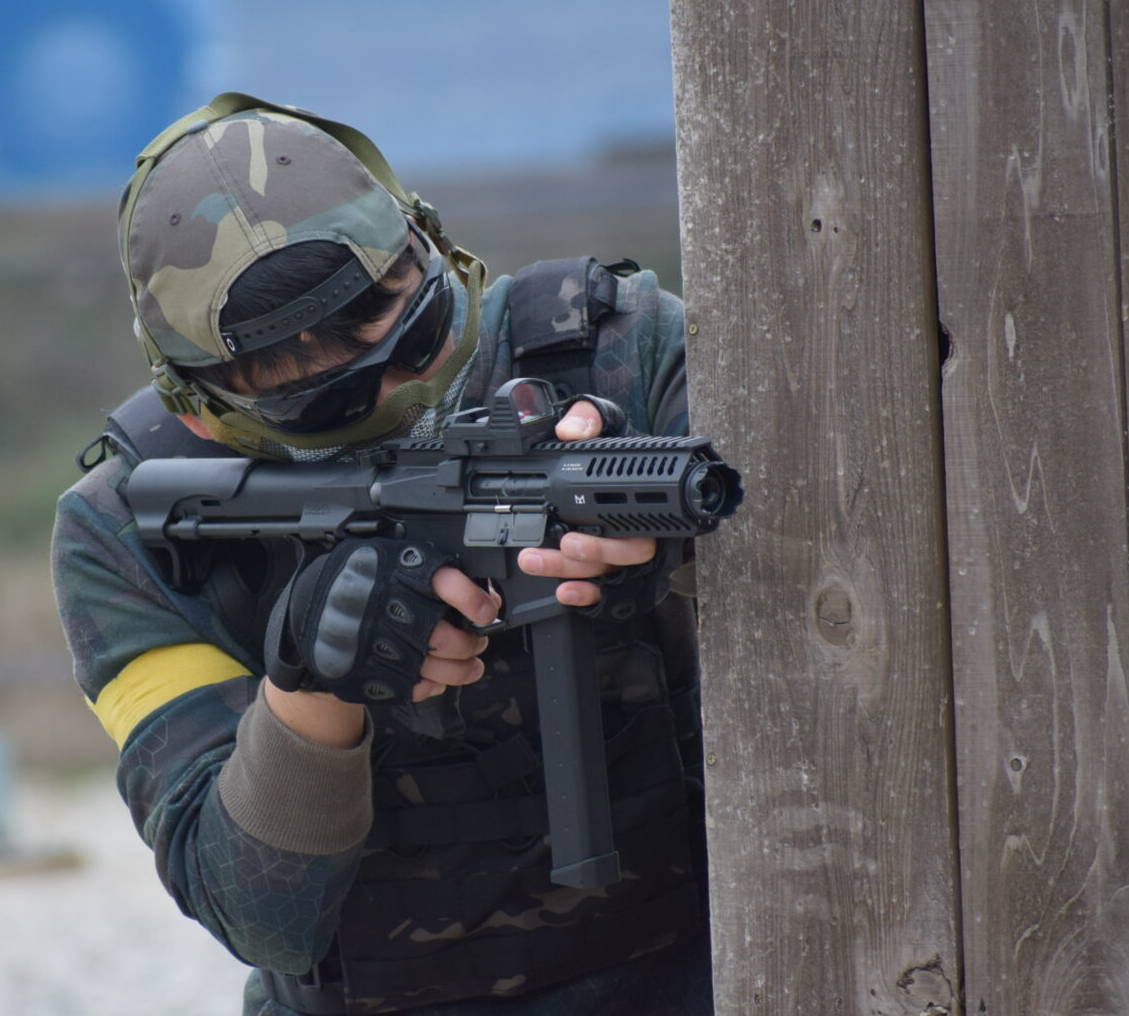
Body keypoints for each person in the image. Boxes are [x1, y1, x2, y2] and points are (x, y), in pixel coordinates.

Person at [52, 93, 712, 1015]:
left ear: (430, 246)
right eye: (325, 405)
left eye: (419, 336)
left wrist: (676, 558)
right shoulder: (133, 531)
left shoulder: (621, 351)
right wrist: (312, 688)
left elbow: (842, 608)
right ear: (200, 405)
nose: (402, 398)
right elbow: (258, 918)